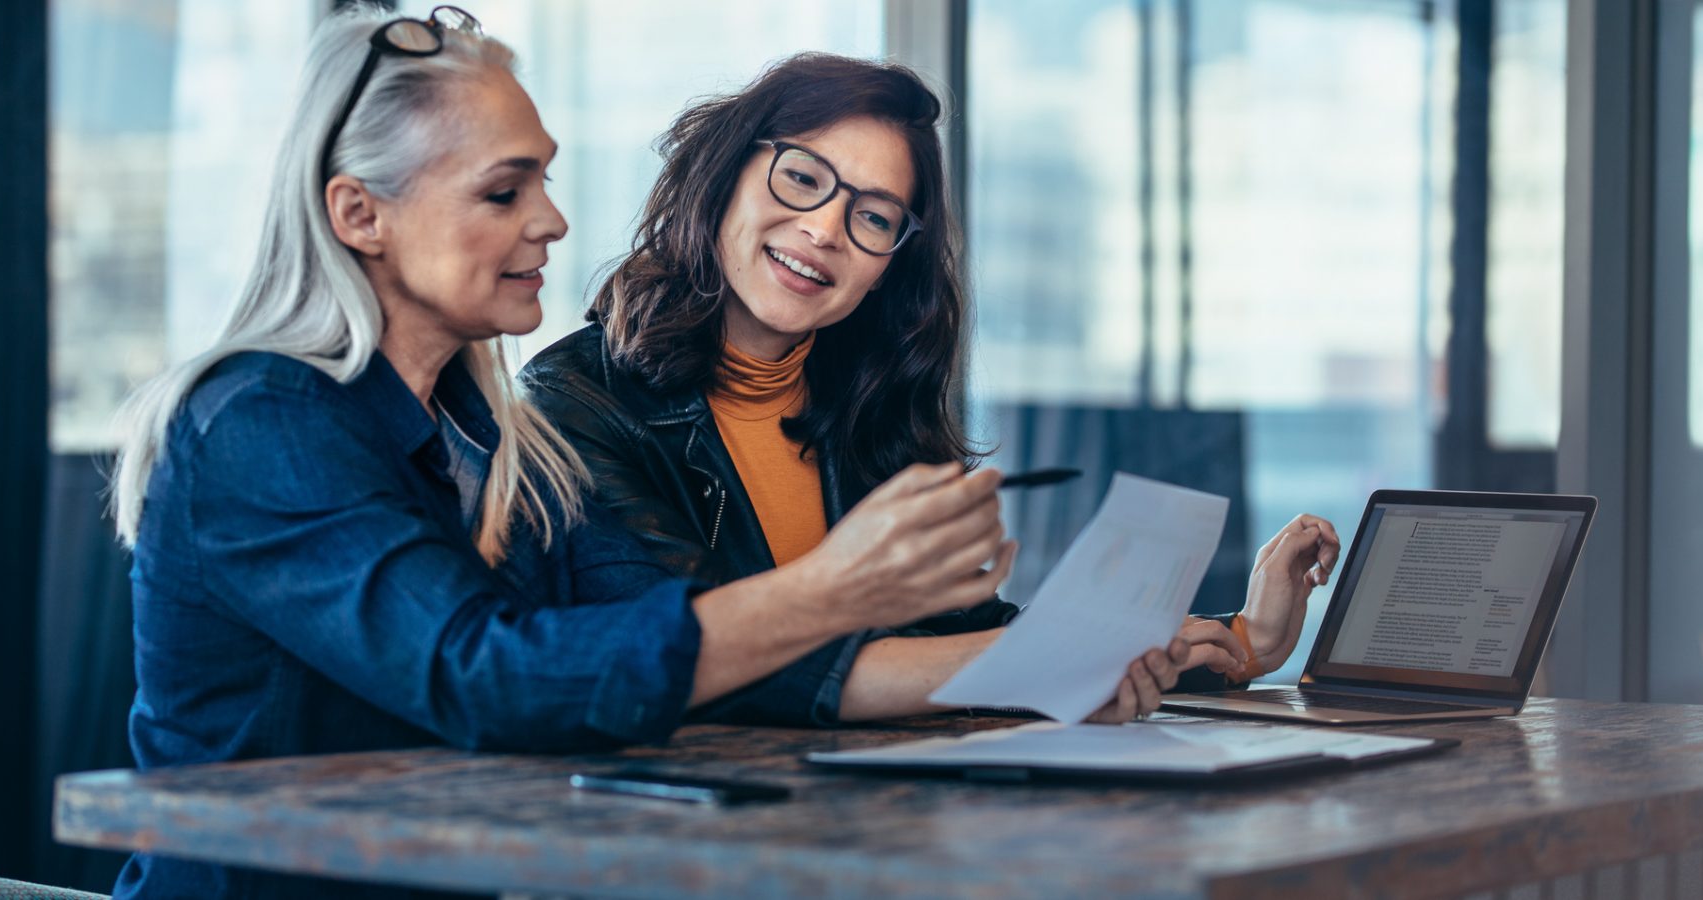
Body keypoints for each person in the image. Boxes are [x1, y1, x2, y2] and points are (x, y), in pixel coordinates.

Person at [103, 8, 1194, 898]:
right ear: (359, 215)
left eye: (543, 181)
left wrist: (1071, 663)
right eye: (503, 191)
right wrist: (834, 587)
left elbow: (645, 641)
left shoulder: (487, 434)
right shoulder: (260, 423)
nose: (555, 222)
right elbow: (490, 679)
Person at [521, 53, 1342, 721]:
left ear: (888, 268)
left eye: (874, 217)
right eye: (802, 178)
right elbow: (704, 659)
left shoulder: (866, 409)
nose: (825, 230)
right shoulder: (572, 406)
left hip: (869, 827)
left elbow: (960, 638)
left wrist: (1241, 640)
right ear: (725, 175)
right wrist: (1056, 662)